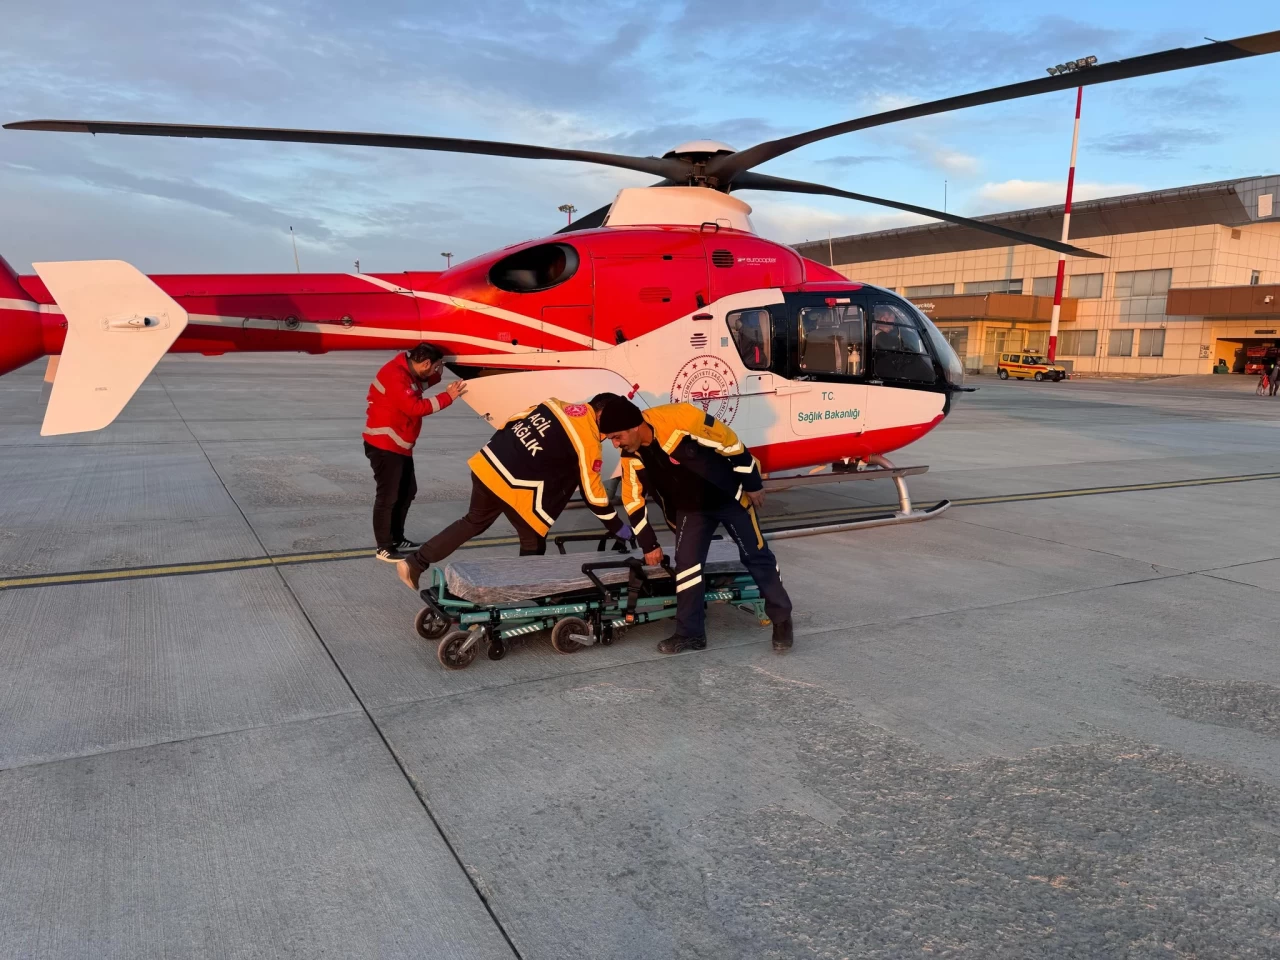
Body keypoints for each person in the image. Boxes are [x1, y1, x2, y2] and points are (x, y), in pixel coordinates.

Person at [591, 393, 794, 655]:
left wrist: (753, 483)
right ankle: (691, 633)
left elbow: (730, 443)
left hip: (728, 497)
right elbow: (632, 500)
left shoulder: (682, 419)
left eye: (616, 436)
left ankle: (781, 619)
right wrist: (648, 543)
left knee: (755, 555)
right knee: (686, 566)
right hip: (691, 509)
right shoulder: (630, 456)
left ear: (634, 426)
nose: (615, 443)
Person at [396, 397, 630, 592]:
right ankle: (522, 596)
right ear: (602, 416)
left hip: (488, 464)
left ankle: (416, 562)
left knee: (473, 521)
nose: (611, 438)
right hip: (514, 483)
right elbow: (593, 495)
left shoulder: (554, 404)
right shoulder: (588, 442)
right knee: (533, 541)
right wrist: (617, 526)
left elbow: (511, 421)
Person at [363, 343, 465, 562]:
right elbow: (416, 408)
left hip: (399, 445)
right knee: (388, 497)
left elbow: (422, 383)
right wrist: (449, 397)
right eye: (437, 366)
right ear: (426, 363)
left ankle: (397, 538)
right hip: (384, 445)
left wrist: (444, 371)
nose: (438, 370)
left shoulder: (409, 371)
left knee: (407, 491)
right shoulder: (396, 375)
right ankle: (384, 547)